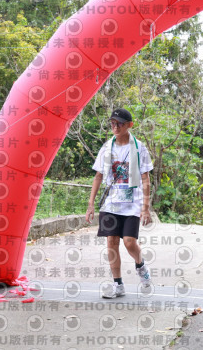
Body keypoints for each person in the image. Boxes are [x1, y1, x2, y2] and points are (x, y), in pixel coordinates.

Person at [86, 108, 154, 298]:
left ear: (129, 125)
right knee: (112, 241)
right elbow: (98, 176)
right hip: (111, 203)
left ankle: (140, 265)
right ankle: (118, 284)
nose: (115, 127)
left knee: (129, 243)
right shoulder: (107, 148)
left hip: (132, 203)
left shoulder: (139, 148)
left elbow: (146, 179)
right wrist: (91, 204)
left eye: (119, 124)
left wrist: (145, 208)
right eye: (112, 123)